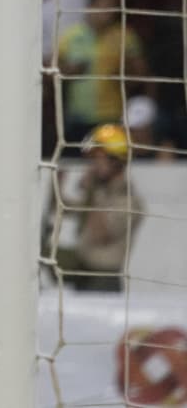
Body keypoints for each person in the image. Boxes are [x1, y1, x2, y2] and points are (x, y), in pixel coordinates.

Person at [56, 124, 144, 293]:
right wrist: (57, 186)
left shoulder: (130, 202)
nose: (93, 165)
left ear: (116, 160)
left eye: (98, 158)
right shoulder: (100, 192)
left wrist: (92, 193)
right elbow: (67, 210)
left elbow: (100, 235)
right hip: (84, 274)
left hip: (104, 280)